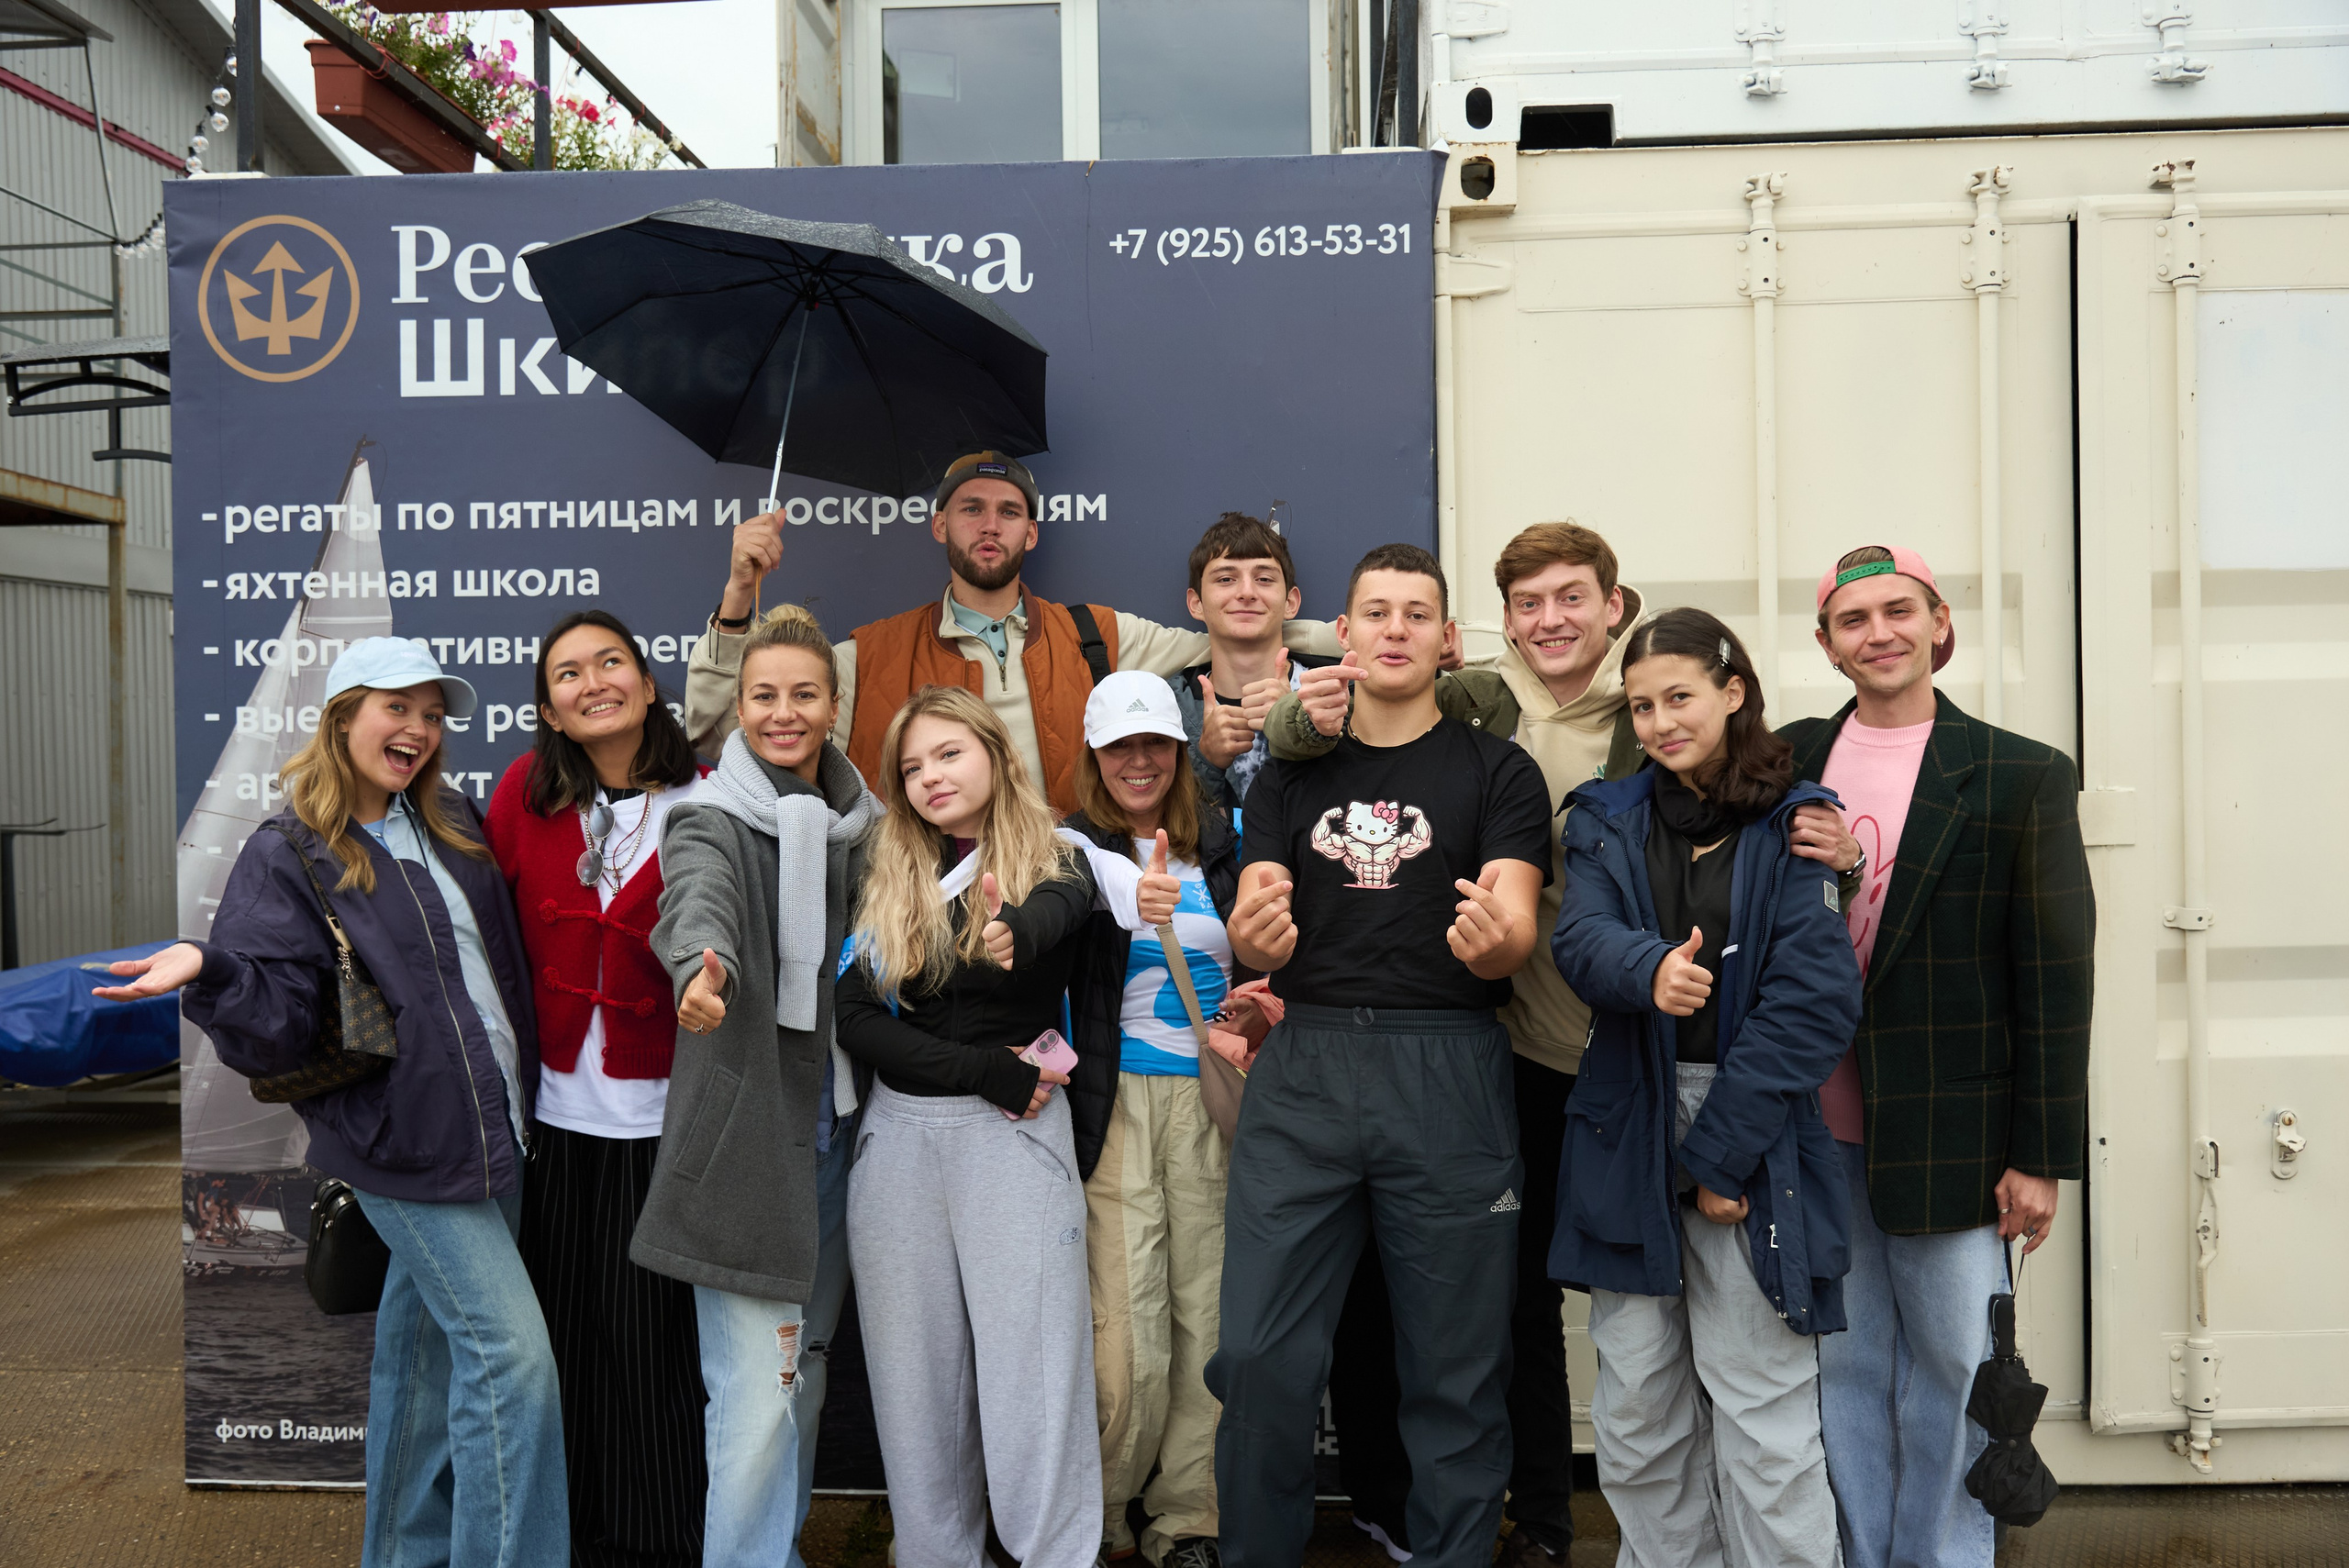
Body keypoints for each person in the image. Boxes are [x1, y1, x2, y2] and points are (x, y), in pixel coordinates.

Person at [97, 639, 561, 1568]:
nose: (419, 729)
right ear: (346, 714)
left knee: (425, 1372)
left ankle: (396, 1554)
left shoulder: (454, 823)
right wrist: (214, 963)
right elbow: (277, 1011)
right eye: (399, 707)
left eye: (433, 714)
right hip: (404, 1146)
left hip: (500, 1126)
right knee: (514, 1366)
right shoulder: (291, 850)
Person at [1264, 521, 1651, 1565]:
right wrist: (1292, 726)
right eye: (1530, 603)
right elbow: (1317, 744)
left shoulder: (1655, 699)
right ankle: (1520, 1520)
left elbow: (1737, 783)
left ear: (1615, 606)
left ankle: (1642, 1526)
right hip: (1509, 1041)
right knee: (1498, 1304)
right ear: (1496, 627)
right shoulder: (1484, 699)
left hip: (1623, 1044)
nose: (1552, 619)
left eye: (1572, 598)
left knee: (1635, 1304)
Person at [1208, 543, 1551, 1568]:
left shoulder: (1500, 769)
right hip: (1304, 1068)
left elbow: (1517, 912)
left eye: (1416, 613)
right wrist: (1256, 937)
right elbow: (1254, 905)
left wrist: (1502, 939)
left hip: (1446, 1066)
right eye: (1375, 612)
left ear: (1447, 640)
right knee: (1261, 1357)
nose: (1394, 628)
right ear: (1343, 635)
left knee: (1453, 1366)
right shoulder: (1288, 772)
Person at [1784, 546, 2095, 1568]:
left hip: (1952, 1133)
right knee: (1842, 1364)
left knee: (1956, 1368)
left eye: (1897, 610)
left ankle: (1944, 1557)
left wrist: (2038, 1153)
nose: (1879, 632)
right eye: (1853, 619)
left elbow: (2053, 975)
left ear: (1938, 621)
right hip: (1813, 1127)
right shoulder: (1786, 759)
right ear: (1826, 644)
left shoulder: (2020, 771)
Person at [1548, 608, 1861, 1568]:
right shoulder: (1605, 813)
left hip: (1751, 1124)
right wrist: (1648, 969)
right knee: (1638, 1412)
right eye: (1640, 704)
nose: (1657, 721)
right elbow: (1578, 939)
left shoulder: (1796, 819)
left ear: (1733, 690)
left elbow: (1810, 1002)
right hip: (1624, 1124)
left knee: (1761, 1410)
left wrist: (1718, 1155)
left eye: (1678, 696)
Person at [834, 684, 1104, 1568]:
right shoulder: (889, 874)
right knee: (918, 1396)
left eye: (948, 753)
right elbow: (856, 1018)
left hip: (1011, 1147)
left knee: (1034, 1383)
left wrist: (1011, 936)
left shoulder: (1058, 857)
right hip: (901, 1142)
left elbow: (1048, 918)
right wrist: (983, 1067)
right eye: (911, 767)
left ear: (995, 751)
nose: (929, 777)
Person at [683, 452, 1339, 815]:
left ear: (1032, 532)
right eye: (970, 509)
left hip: (1068, 899)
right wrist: (740, 594)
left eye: (1008, 512)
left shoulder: (1094, 632)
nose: (989, 525)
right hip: (922, 910)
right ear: (941, 525)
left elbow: (1238, 630)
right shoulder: (870, 653)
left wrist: (1367, 643)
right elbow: (722, 736)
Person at [637, 604, 883, 1568]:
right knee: (754, 1392)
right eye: (763, 695)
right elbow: (698, 895)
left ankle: (771, 1551)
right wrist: (702, 967)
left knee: (800, 1375)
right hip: (747, 1147)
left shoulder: (868, 825)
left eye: (803, 694)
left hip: (845, 1137)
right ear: (737, 706)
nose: (783, 713)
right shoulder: (705, 815)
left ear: (834, 704)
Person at [484, 610, 708, 1568]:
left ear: (648, 683)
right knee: (568, 1344)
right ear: (549, 709)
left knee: (656, 1351)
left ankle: (661, 1542)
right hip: (560, 1124)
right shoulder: (519, 798)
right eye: (568, 673)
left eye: (610, 661)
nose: (592, 681)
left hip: (670, 1119)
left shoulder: (708, 794)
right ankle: (574, 1541)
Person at [1062, 672, 1253, 1568]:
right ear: (1095, 757)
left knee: (1204, 1319)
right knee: (1124, 1333)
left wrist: (1255, 1007)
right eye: (1118, 746)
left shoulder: (1227, 844)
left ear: (1178, 750)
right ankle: (1096, 1510)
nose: (1137, 761)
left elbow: (1270, 961)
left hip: (1209, 1104)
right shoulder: (1065, 850)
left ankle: (1187, 1517)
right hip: (1110, 1107)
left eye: (1154, 743)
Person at [1173, 512, 1337, 814]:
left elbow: (1357, 813)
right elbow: (1155, 826)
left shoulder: (1332, 695)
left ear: (1290, 602)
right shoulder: (1167, 709)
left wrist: (1297, 729)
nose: (1246, 592)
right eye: (1225, 579)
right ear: (1196, 603)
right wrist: (1206, 760)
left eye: (1264, 579)